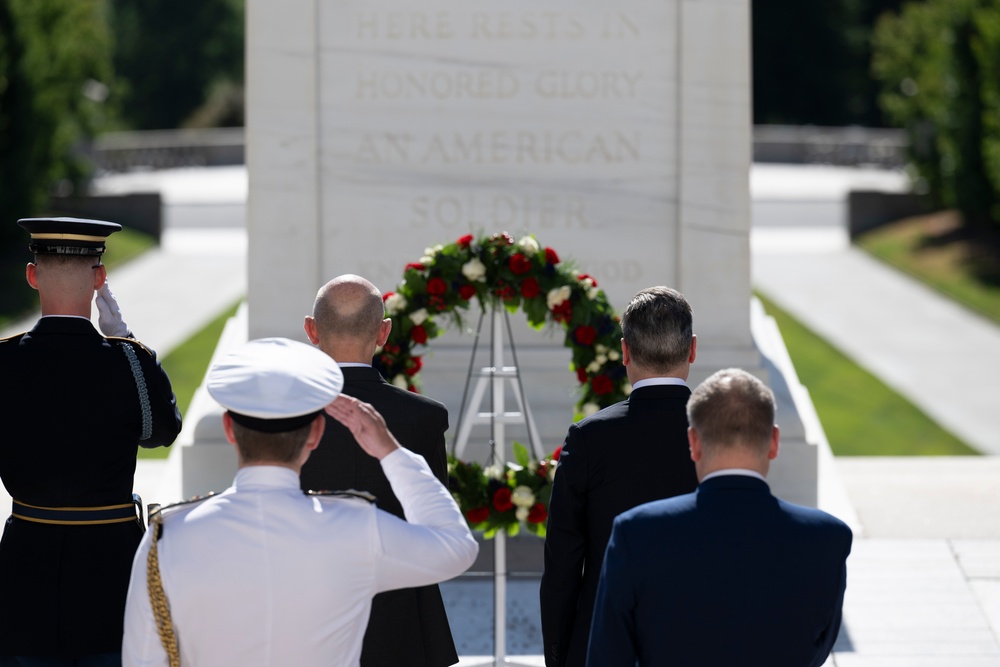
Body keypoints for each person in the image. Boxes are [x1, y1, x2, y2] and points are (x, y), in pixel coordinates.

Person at [122, 337, 478, 667]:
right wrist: (390, 452)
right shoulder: (355, 527)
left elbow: (143, 659)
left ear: (229, 429)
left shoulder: (167, 540)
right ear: (316, 432)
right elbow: (456, 547)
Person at [0, 217, 183, 667]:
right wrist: (123, 339)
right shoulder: (128, 364)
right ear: (100, 278)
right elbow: (163, 431)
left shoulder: (3, 363)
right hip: (109, 577)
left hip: (24, 576)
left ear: (31, 275)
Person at [587, 368, 853, 667]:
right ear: (774, 441)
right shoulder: (827, 539)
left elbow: (607, 658)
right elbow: (815, 651)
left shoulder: (636, 533)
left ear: (694, 442)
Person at [300, 274, 457, 667]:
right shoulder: (424, 417)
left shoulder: (286, 414)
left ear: (311, 331)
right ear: (383, 332)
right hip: (403, 623)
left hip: (308, 617)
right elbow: (434, 521)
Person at [540, 286, 700, 667]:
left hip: (606, 645)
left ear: (624, 351)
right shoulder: (718, 434)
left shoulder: (589, 438)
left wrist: (560, 655)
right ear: (692, 349)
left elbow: (563, 563)